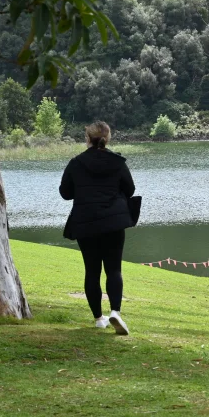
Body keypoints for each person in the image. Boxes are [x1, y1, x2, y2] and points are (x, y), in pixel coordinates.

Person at [60, 121, 136, 335]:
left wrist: (85, 191)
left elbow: (65, 193)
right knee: (114, 269)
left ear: (87, 138)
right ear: (108, 137)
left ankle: (98, 318)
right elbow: (129, 190)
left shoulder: (76, 163)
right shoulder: (118, 162)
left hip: (86, 222)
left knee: (92, 271)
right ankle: (116, 312)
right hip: (113, 222)